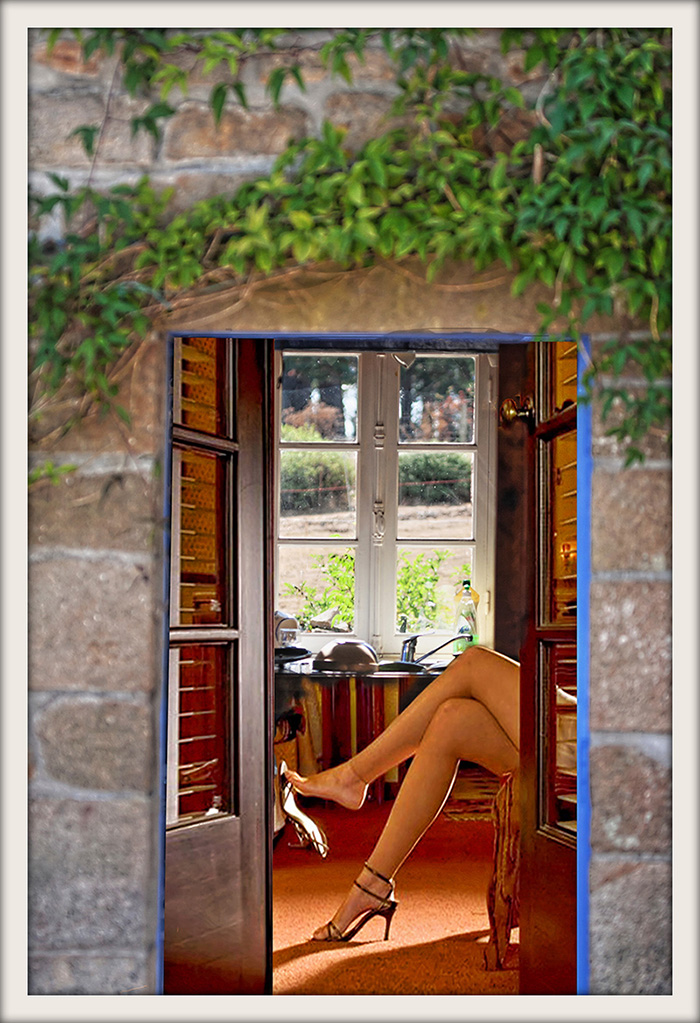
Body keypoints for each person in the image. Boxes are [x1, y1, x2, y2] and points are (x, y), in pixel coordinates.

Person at [282, 644, 520, 942]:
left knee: (474, 662)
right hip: (567, 726)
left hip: (575, 739)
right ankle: (374, 882)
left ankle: (353, 776)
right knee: (451, 718)